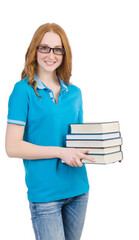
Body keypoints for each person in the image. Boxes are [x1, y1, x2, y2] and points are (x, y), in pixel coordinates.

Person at [5, 23, 94, 240]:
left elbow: (76, 142)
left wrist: (104, 152)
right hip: (45, 195)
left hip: (78, 189)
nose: (50, 55)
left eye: (57, 49)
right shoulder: (23, 90)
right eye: (44, 48)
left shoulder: (74, 93)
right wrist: (60, 152)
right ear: (34, 50)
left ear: (64, 54)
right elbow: (12, 147)